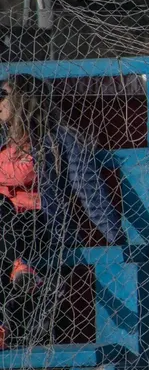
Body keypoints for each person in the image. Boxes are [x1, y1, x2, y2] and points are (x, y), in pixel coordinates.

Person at [0, 75, 122, 345]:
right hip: (4, 230)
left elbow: (89, 189)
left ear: (22, 99)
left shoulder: (57, 140)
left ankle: (23, 273)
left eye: (3, 94)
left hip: (41, 227)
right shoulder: (2, 144)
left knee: (18, 222)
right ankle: (16, 285)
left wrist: (116, 239)